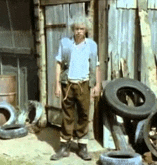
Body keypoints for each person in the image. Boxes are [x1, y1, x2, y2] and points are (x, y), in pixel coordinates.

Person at [50, 14, 100, 161]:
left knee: (84, 114)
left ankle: (82, 147)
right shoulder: (65, 43)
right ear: (73, 29)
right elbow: (58, 64)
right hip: (68, 84)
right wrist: (57, 85)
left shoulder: (92, 45)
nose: (79, 31)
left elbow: (96, 66)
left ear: (86, 30)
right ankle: (64, 146)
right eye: (76, 28)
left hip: (84, 84)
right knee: (67, 115)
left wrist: (96, 84)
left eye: (82, 29)